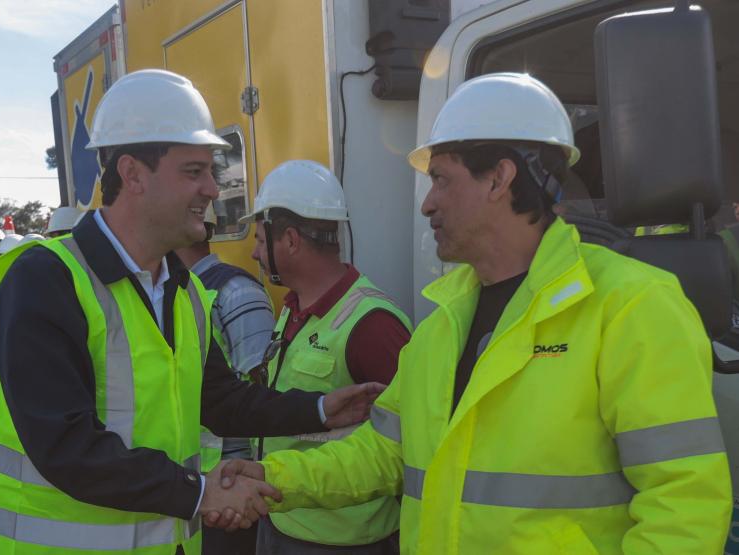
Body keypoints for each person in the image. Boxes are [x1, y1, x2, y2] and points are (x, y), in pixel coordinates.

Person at [219, 73, 732, 554]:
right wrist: (275, 476)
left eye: (441, 179)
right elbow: (383, 453)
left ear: (499, 179)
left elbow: (684, 507)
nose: (427, 204)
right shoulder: (444, 322)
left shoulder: (630, 306)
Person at [0, 69, 383, 555]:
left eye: (212, 170)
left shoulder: (181, 288)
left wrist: (317, 409)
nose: (213, 188)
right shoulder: (47, 280)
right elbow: (65, 446)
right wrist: (200, 493)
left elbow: (218, 398)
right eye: (194, 171)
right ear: (132, 175)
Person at [237, 159, 411, 554]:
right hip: (282, 520)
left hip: (342, 542)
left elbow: (406, 445)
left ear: (292, 241)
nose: (253, 254)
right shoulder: (294, 309)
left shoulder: (373, 325)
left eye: (261, 241)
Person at [176, 202, 276, 555]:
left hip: (230, 489)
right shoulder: (173, 291)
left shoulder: (236, 291)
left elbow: (258, 390)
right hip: (193, 487)